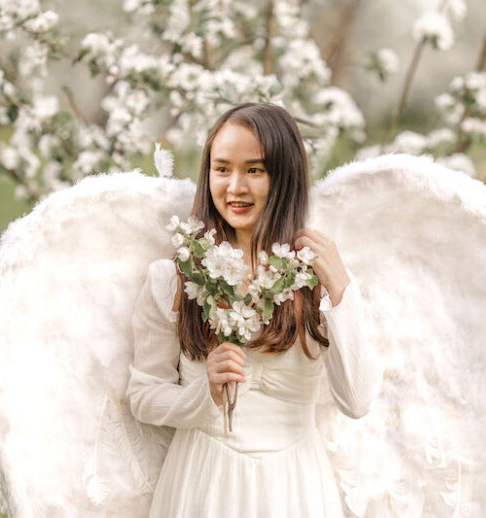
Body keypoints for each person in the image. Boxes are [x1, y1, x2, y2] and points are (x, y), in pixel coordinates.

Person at [125, 102, 381, 517]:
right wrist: (201, 394)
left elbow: (357, 399)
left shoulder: (316, 279)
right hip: (202, 482)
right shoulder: (175, 277)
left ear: (284, 178)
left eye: (255, 170)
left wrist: (340, 288)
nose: (235, 187)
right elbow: (143, 396)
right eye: (222, 169)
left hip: (294, 486)